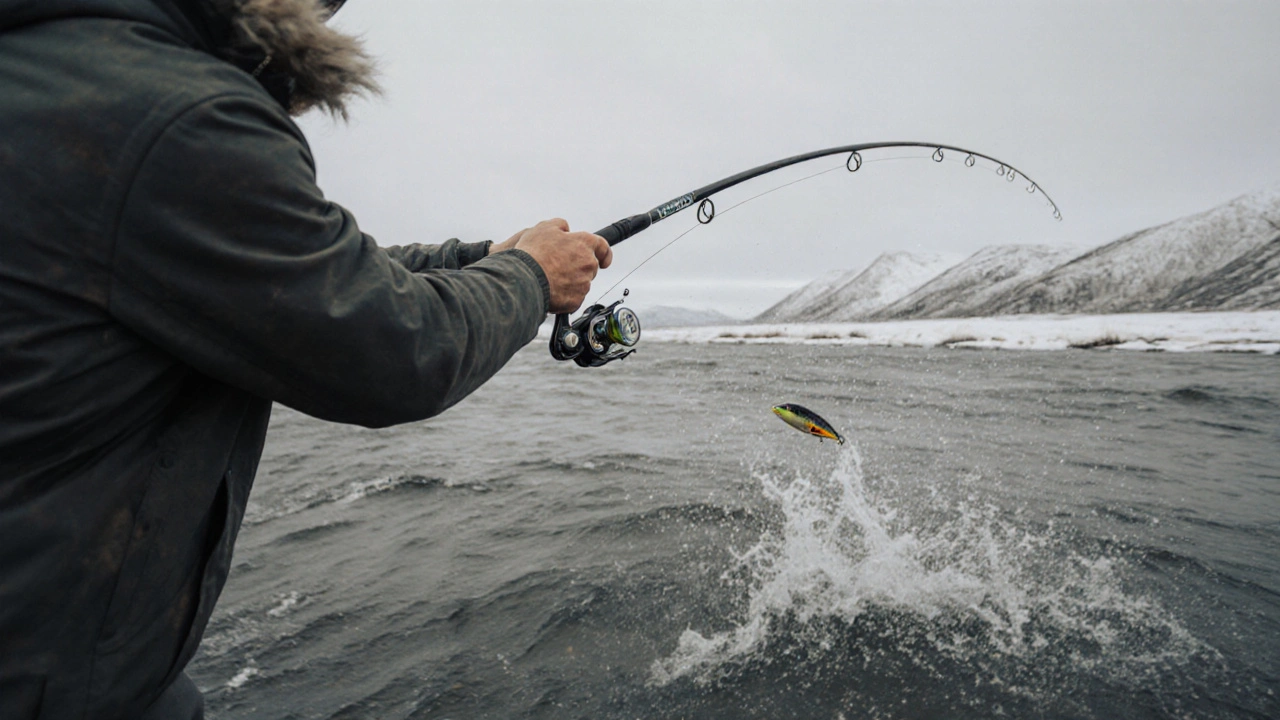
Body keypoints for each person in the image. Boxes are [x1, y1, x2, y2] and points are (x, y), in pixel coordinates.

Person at [0, 0, 611, 717]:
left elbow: (303, 274)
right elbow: (396, 349)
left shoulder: (63, 64)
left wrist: (483, 259)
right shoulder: (178, 116)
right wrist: (531, 278)